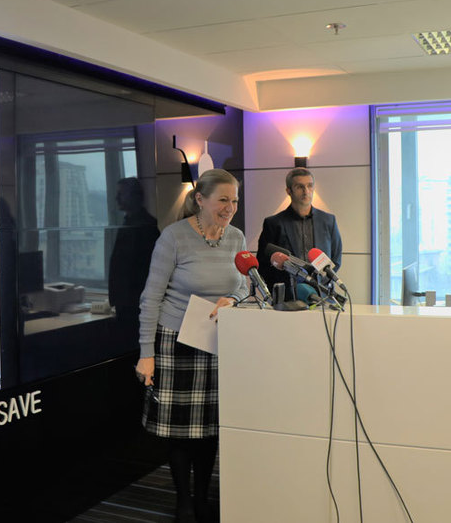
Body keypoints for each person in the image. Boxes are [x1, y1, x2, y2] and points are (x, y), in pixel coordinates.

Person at [134, 168, 248, 523]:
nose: (230, 208)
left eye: (235, 201)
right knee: (181, 431)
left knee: (210, 428)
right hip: (177, 341)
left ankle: (202, 499)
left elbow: (245, 285)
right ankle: (183, 501)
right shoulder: (174, 237)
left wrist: (233, 298)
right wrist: (146, 354)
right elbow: (151, 298)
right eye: (223, 200)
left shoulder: (237, 237)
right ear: (200, 199)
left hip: (217, 340)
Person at [256, 167, 342, 300]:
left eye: (309, 186)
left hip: (323, 297)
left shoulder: (328, 221)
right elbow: (264, 263)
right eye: (300, 187)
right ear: (288, 191)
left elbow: (335, 259)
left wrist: (320, 284)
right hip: (288, 298)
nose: (306, 191)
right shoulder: (273, 223)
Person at [108, 177, 159, 338]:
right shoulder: (131, 223)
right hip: (128, 303)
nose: (117, 198)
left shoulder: (145, 226)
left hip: (135, 305)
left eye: (121, 194)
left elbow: (144, 269)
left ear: (134, 196)